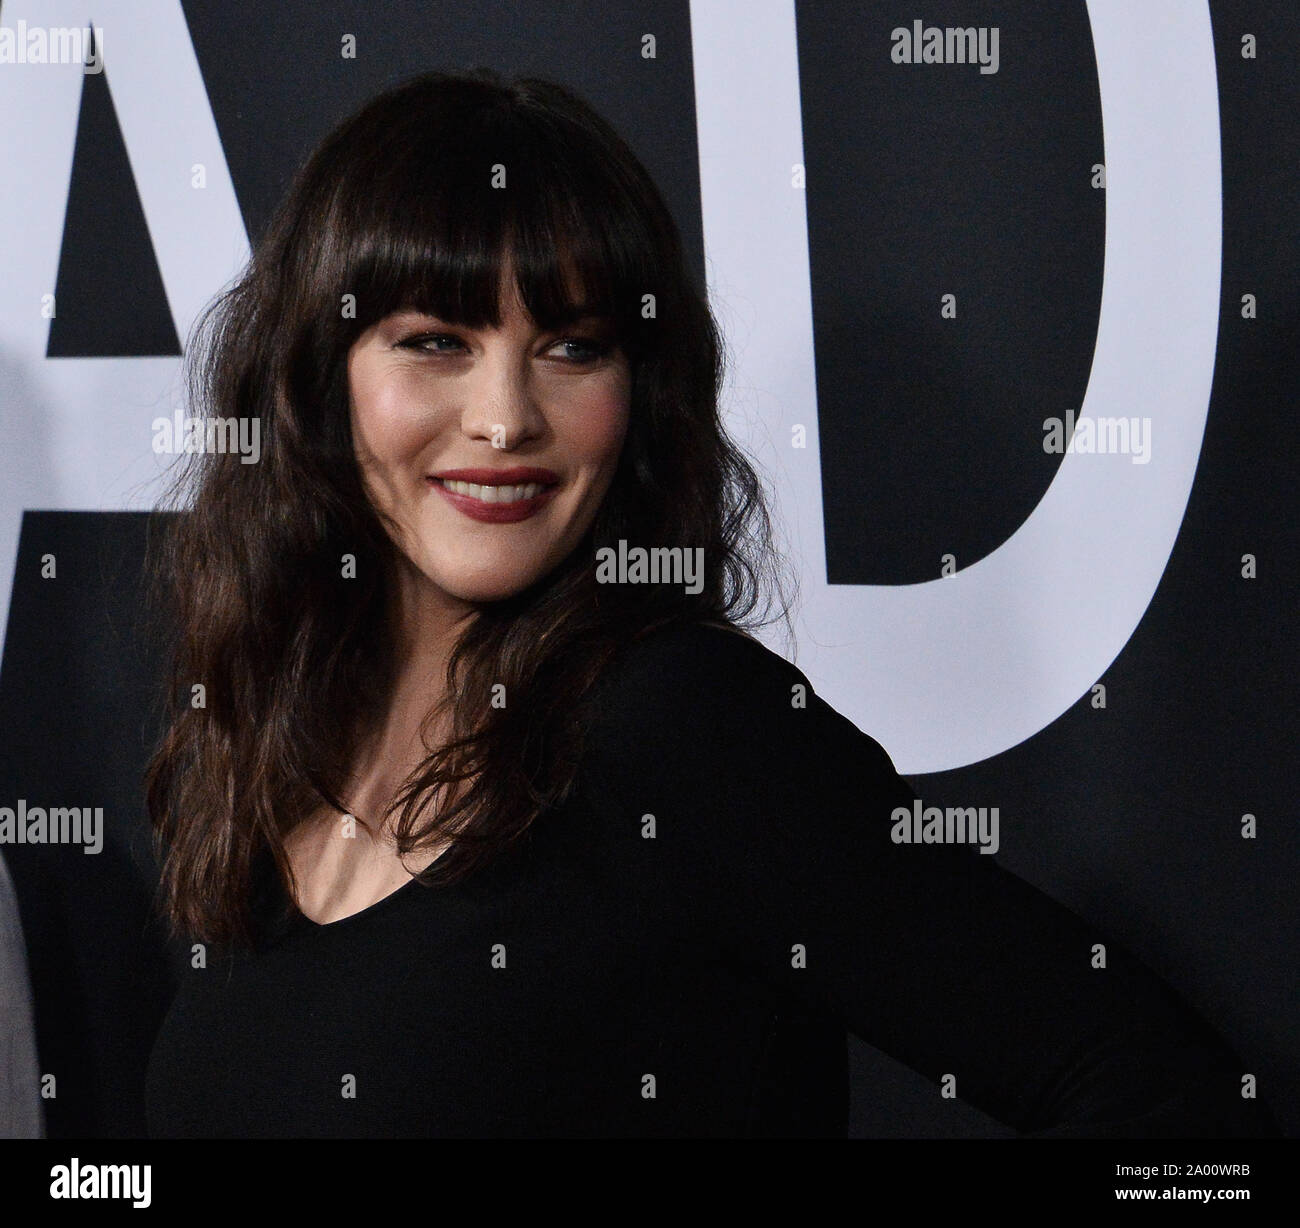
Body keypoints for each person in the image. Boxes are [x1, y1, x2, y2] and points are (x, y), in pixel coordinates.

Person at [143, 68, 1273, 1138]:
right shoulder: (260, 747)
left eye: (572, 347)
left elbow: (1160, 1099)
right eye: (436, 342)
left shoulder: (683, 724)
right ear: (317, 377)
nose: (505, 416)